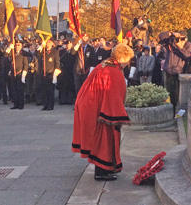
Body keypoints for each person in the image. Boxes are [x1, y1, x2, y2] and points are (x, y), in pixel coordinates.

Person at [72, 43, 134, 181]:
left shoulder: (105, 65)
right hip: (99, 109)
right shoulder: (113, 71)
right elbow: (113, 95)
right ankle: (101, 172)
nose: (128, 62)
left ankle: (105, 169)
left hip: (91, 106)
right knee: (104, 140)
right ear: (122, 58)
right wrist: (117, 116)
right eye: (128, 59)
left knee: (101, 139)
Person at [158, 30, 191, 112]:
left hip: (179, 72)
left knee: (177, 95)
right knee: (167, 93)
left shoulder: (188, 45)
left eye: (182, 38)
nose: (180, 40)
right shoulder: (171, 42)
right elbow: (161, 36)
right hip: (168, 70)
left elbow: (187, 56)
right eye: (178, 38)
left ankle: (177, 113)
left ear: (185, 38)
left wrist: (180, 47)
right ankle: (168, 111)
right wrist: (171, 34)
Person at [37, 38, 61, 111]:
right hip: (43, 74)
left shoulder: (55, 52)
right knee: (44, 91)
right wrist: (42, 45)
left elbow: (57, 64)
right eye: (47, 42)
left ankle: (51, 105)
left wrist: (55, 75)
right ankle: (45, 105)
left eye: (49, 42)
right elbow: (37, 53)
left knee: (50, 91)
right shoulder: (43, 51)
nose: (48, 43)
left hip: (50, 74)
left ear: (52, 44)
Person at [6, 41, 28, 110]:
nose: (17, 46)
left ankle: (21, 104)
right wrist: (10, 48)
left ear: (21, 46)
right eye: (16, 45)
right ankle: (16, 104)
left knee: (20, 90)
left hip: (20, 73)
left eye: (18, 45)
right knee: (14, 90)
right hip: (13, 73)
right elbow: (6, 55)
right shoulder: (13, 53)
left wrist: (24, 75)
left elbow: (26, 64)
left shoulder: (23, 53)